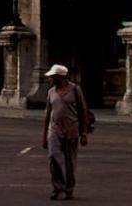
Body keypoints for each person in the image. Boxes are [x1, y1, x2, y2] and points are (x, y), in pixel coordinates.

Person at [41, 64, 89, 201]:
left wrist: (84, 133)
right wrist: (44, 136)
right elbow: (47, 115)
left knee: (70, 162)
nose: (50, 79)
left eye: (52, 77)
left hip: (71, 130)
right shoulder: (51, 92)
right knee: (53, 157)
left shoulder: (75, 90)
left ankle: (69, 189)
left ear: (59, 77)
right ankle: (57, 187)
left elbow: (83, 111)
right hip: (54, 130)